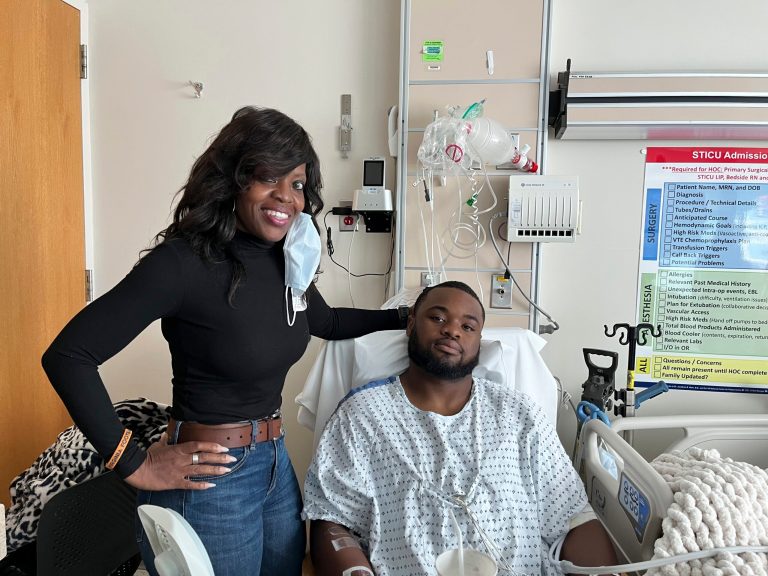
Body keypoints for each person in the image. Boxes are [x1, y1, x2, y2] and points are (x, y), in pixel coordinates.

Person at [41, 106, 409, 576]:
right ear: (233, 180)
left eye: (297, 183)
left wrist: (405, 317)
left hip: (275, 465)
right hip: (211, 476)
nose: (286, 197)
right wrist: (133, 462)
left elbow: (329, 321)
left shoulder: (287, 262)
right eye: (267, 177)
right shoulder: (182, 263)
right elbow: (69, 356)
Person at [303, 281, 619, 576]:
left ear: (478, 342)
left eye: (467, 326)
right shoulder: (362, 416)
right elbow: (331, 519)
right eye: (438, 318)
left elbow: (575, 519)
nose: (452, 330)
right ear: (411, 323)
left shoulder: (520, 416)